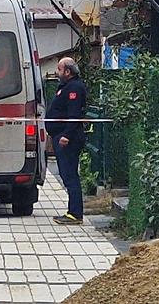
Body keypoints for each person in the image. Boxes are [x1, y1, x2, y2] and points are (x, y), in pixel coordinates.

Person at [45, 57, 88, 226]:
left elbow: (74, 114)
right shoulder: (66, 86)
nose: (57, 72)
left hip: (68, 139)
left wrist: (67, 135)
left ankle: (75, 213)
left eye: (59, 69)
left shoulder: (74, 88)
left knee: (70, 175)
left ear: (68, 71)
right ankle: (72, 211)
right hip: (61, 135)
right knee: (66, 174)